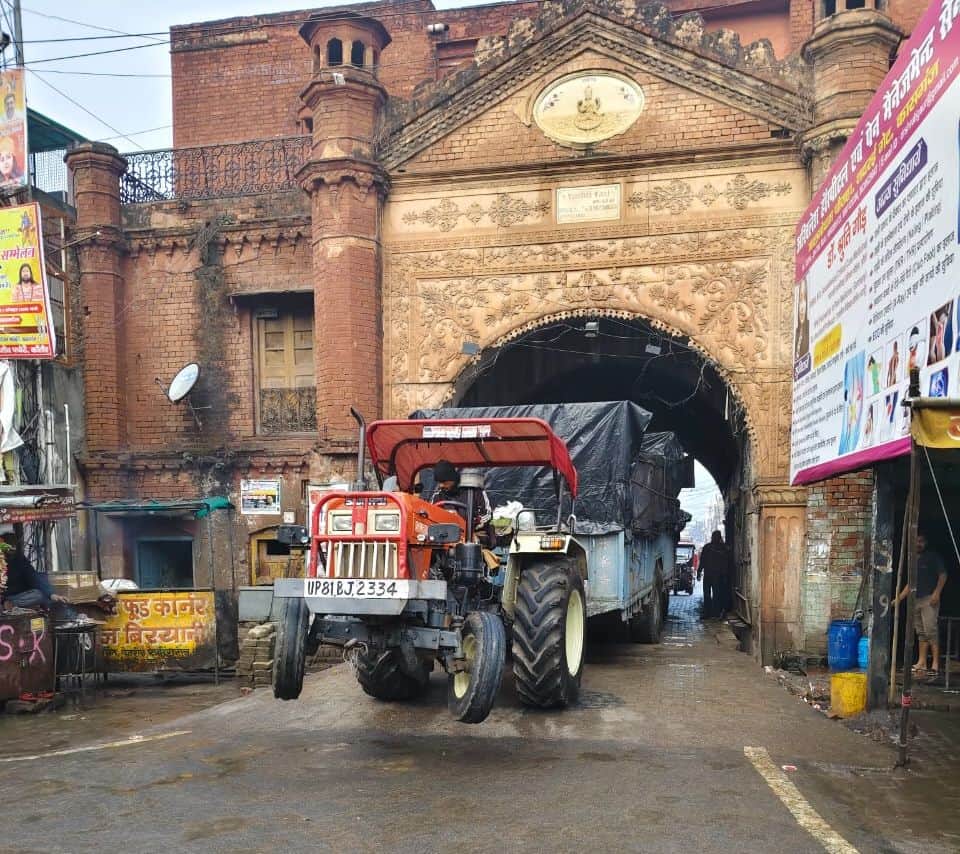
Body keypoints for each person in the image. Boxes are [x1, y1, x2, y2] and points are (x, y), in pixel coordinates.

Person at [895, 532, 949, 679]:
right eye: (916, 541)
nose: (919, 544)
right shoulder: (913, 560)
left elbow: (943, 575)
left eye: (921, 541)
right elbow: (910, 583)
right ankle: (922, 662)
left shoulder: (933, 557)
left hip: (928, 599)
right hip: (915, 600)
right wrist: (898, 599)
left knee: (931, 630)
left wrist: (936, 593)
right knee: (920, 632)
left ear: (926, 543)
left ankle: (935, 664)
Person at [0, 531, 81, 621]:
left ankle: (66, 618)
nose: (12, 549)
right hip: (6, 597)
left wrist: (51, 594)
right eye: (9, 546)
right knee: (40, 595)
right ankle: (8, 604)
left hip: (22, 596)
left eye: (13, 546)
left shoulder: (19, 560)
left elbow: (34, 577)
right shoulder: (2, 561)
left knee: (41, 591)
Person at [431, 459, 493, 543]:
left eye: (444, 482)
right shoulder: (437, 496)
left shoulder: (475, 491)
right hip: (446, 536)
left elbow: (487, 514)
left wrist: (469, 527)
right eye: (439, 482)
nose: (441, 485)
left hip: (474, 532)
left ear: (452, 479)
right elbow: (431, 517)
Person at [699, 530, 732, 620]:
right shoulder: (710, 547)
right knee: (709, 594)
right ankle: (710, 613)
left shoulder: (721, 548)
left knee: (716, 594)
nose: (714, 538)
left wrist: (725, 575)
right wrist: (699, 571)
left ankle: (712, 613)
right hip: (711, 575)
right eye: (714, 536)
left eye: (716, 537)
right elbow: (702, 561)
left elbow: (726, 563)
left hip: (717, 576)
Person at [794, 279, 810, 360]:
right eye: (800, 299)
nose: (802, 307)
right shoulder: (795, 333)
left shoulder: (809, 331)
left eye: (804, 299)